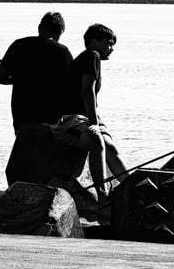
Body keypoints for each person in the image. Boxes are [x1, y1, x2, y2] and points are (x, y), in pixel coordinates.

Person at [55, 23, 129, 211]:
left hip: (83, 116)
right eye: (108, 44)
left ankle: (130, 185)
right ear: (94, 42)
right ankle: (103, 195)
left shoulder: (88, 57)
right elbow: (87, 91)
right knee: (97, 140)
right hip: (73, 117)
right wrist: (94, 123)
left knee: (110, 146)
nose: (111, 49)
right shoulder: (92, 56)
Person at [0, 11, 73, 134]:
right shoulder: (62, 52)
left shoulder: (18, 45)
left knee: (25, 150)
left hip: (21, 115)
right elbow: (72, 86)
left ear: (39, 28)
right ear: (60, 32)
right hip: (50, 118)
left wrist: (20, 78)